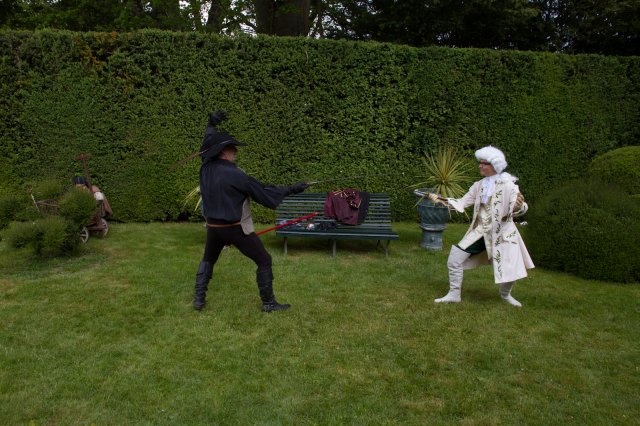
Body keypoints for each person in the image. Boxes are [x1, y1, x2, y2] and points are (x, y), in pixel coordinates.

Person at [193, 111, 308, 312]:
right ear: (223, 152)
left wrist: (211, 124)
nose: (236, 152)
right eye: (232, 148)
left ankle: (198, 300)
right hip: (234, 229)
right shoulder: (236, 175)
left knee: (208, 260)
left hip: (213, 227)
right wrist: (292, 189)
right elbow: (265, 194)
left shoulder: (206, 167)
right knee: (264, 260)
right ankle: (269, 303)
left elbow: (207, 146)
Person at [429, 146, 534, 307]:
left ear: (495, 165)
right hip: (479, 232)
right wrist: (441, 200)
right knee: (454, 259)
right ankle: (454, 294)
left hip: (502, 234)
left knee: (510, 269)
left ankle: (505, 295)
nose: (480, 166)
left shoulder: (509, 185)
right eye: (480, 162)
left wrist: (518, 207)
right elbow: (462, 202)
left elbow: (519, 206)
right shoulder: (479, 185)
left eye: (484, 163)